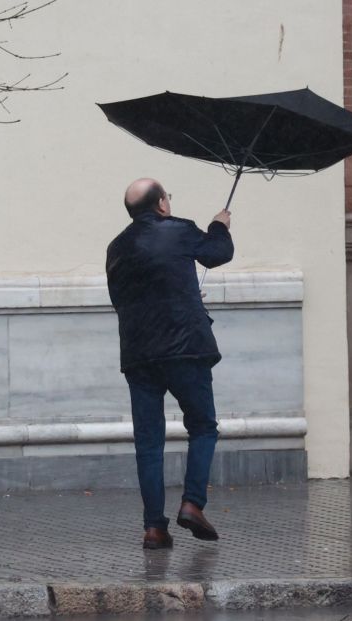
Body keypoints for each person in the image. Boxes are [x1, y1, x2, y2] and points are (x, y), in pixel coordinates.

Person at [106, 178, 234, 550]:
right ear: (162, 204)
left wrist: (184, 292)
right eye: (168, 198)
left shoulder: (116, 247)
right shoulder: (179, 230)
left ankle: (153, 529)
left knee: (149, 443)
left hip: (139, 355)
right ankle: (192, 504)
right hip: (185, 350)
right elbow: (217, 253)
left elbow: (123, 298)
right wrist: (219, 225)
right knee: (203, 426)